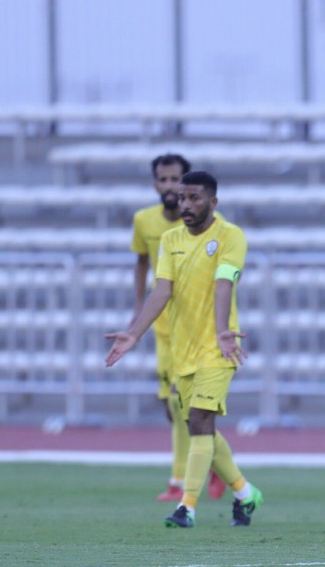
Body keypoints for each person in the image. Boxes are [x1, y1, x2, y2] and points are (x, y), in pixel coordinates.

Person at [107, 171, 263, 528]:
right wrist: (134, 334)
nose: (185, 204)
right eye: (182, 197)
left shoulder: (230, 235)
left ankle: (186, 507)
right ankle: (244, 492)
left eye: (194, 198)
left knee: (201, 420)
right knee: (199, 423)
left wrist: (223, 330)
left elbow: (224, 281)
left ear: (213, 202)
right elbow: (162, 291)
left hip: (218, 348)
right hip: (183, 348)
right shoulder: (171, 239)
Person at [131, 153, 225, 503]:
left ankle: (181, 480)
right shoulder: (145, 222)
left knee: (185, 407)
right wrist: (138, 311)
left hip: (195, 331)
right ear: (155, 183)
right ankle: (213, 471)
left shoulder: (214, 228)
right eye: (163, 180)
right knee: (175, 410)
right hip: (163, 330)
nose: (170, 187)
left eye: (176, 181)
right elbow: (142, 263)